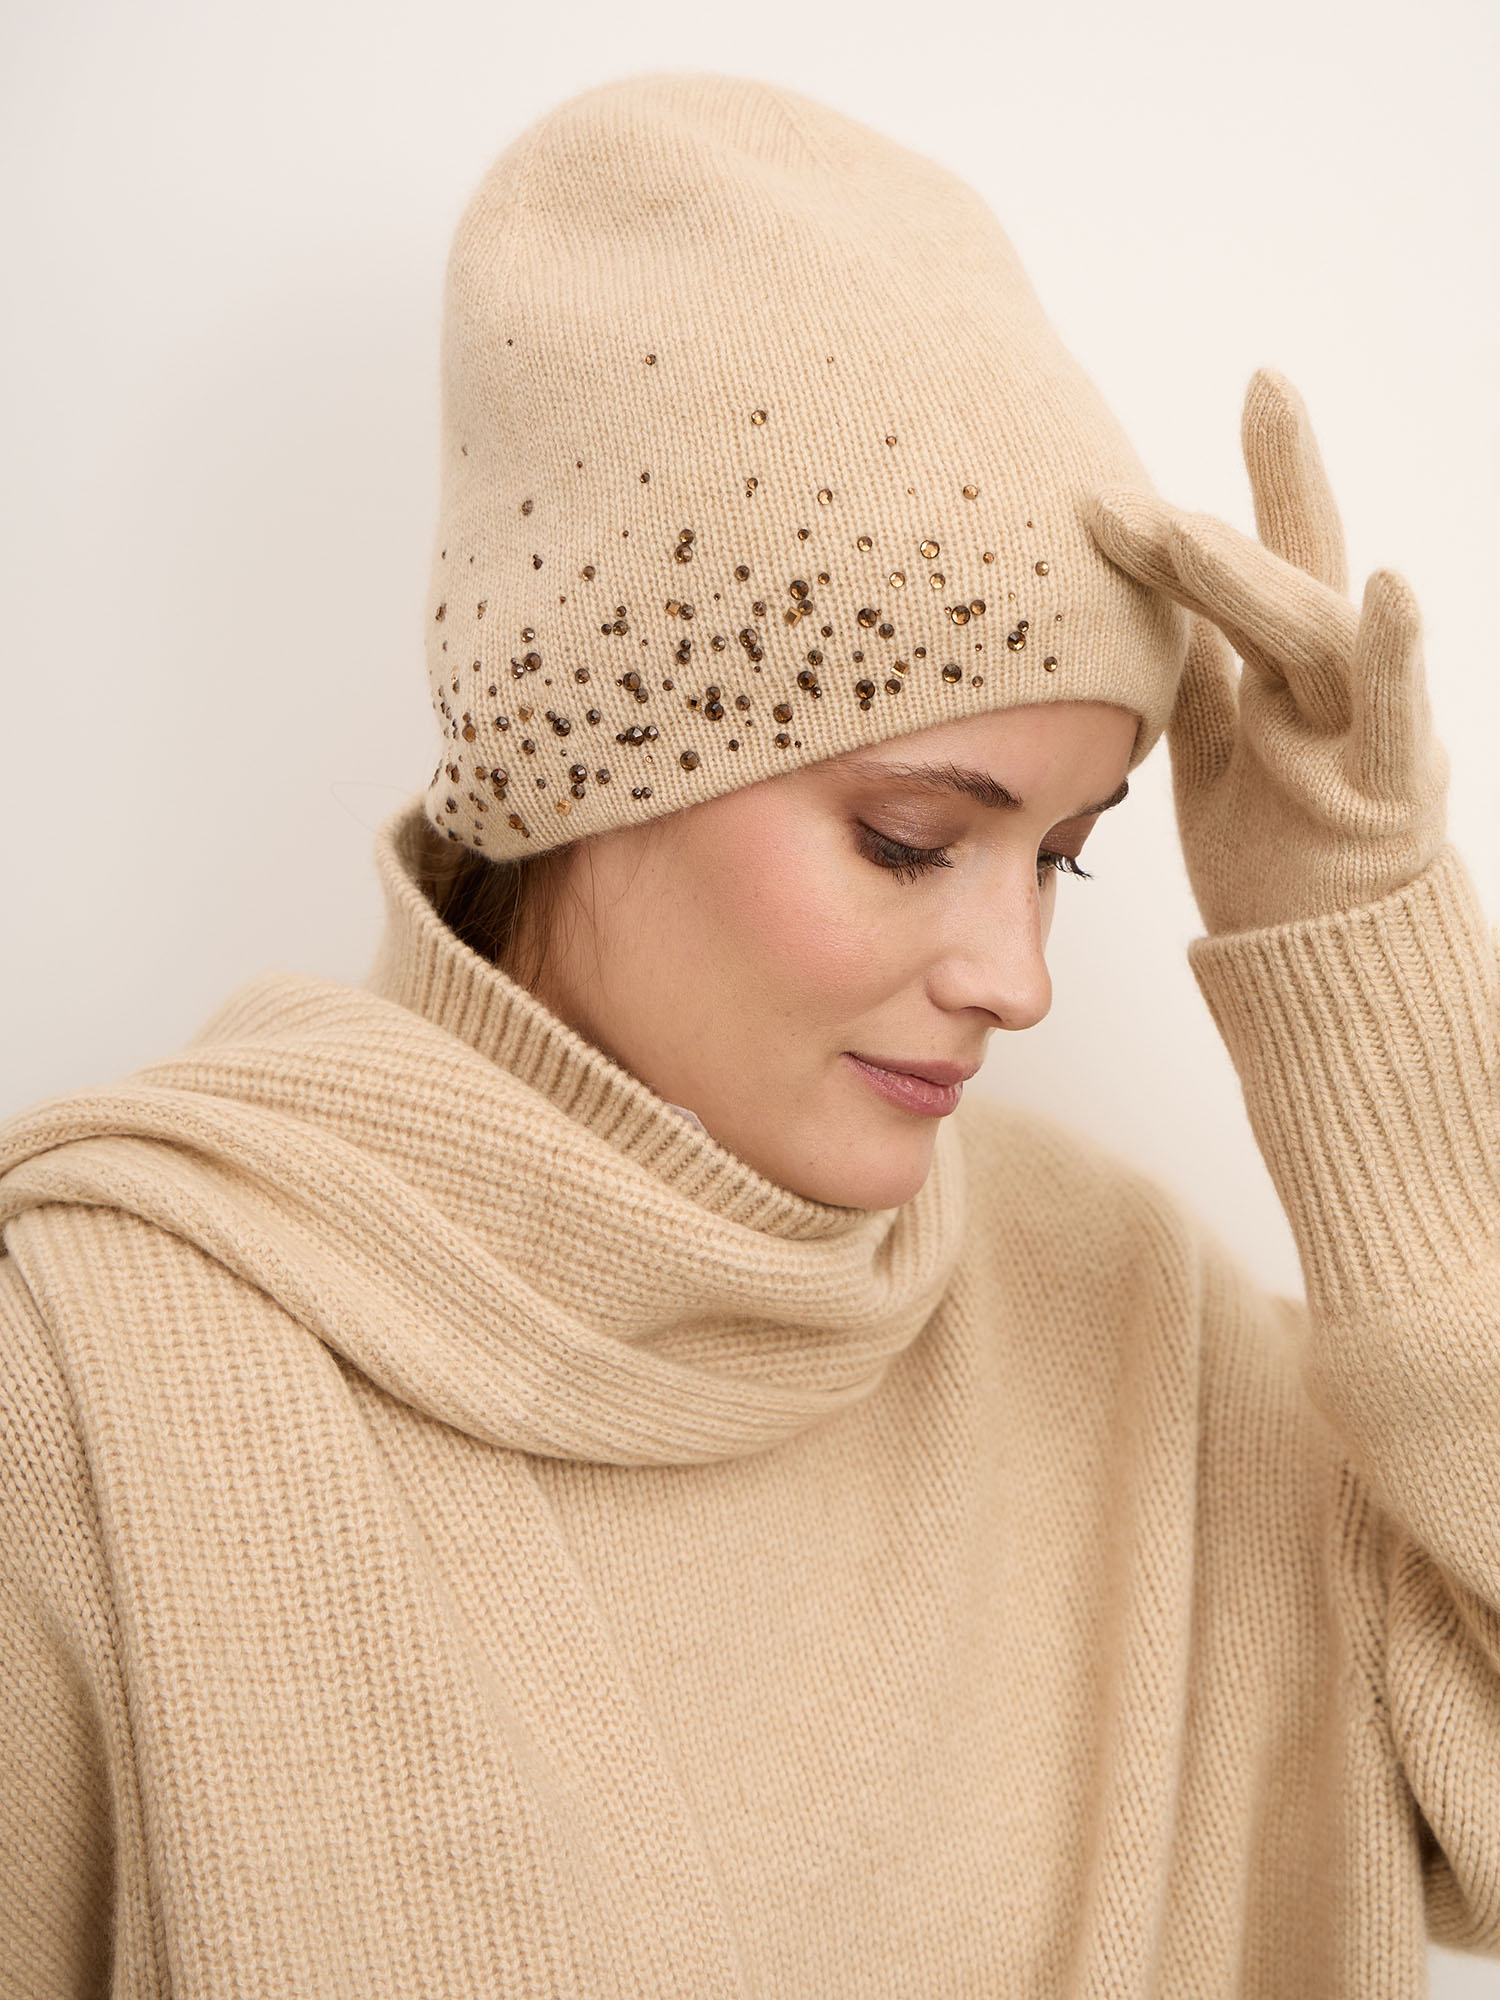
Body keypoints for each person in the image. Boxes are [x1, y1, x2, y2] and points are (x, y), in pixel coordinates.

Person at [1, 68, 1496, 1999]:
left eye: (1066, 857)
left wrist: (1367, 965)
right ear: (590, 773)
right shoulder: (96, 1372)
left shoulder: (1131, 1320)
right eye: (912, 838)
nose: (1019, 975)